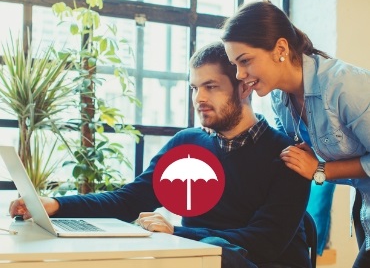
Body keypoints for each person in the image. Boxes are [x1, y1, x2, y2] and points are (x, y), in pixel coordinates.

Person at [9, 42, 312, 268]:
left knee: (215, 247)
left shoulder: (288, 155)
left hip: (256, 263)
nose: (199, 99)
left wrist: (178, 233)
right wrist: (56, 205)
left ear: (244, 87)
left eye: (211, 87)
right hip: (199, 259)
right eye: (194, 88)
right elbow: (128, 200)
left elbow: (265, 242)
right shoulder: (187, 144)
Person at [221, 0, 370, 268]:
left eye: (245, 61)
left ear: (280, 49)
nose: (240, 74)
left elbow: (313, 166)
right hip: (365, 204)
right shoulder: (280, 99)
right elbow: (286, 153)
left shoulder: (345, 86)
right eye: (234, 65)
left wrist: (320, 169)